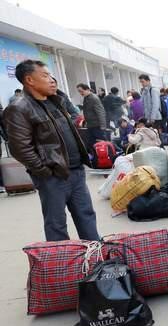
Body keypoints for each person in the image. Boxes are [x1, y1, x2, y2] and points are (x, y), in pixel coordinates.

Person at [4, 60, 99, 241]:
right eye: (45, 76)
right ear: (29, 80)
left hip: (76, 170)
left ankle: (97, 259)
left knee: (86, 215)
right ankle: (62, 265)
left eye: (51, 75)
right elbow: (20, 148)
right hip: (53, 177)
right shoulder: (19, 107)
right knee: (56, 224)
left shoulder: (56, 101)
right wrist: (45, 172)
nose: (52, 80)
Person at [76, 83, 106, 147]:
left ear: (87, 89)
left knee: (101, 143)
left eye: (82, 91)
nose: (81, 93)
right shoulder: (86, 98)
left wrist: (103, 126)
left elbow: (101, 112)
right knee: (93, 143)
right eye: (79, 92)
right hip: (91, 125)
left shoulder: (94, 98)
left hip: (97, 126)